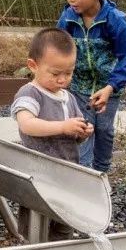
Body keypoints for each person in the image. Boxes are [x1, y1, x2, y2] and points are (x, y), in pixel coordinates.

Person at [57, 0, 126, 173]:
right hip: (77, 88)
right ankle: (84, 175)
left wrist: (111, 87)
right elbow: (57, 48)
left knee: (104, 130)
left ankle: (102, 172)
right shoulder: (67, 18)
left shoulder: (113, 20)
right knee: (82, 129)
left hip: (108, 88)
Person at [11, 27, 94, 239]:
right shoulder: (31, 93)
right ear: (33, 66)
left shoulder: (68, 97)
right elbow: (26, 124)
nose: (62, 79)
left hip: (66, 173)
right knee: (36, 224)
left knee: (65, 221)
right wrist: (62, 126)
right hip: (38, 175)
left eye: (69, 73)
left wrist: (81, 132)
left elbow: (71, 133)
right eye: (55, 73)